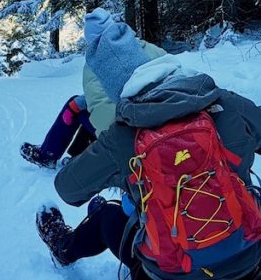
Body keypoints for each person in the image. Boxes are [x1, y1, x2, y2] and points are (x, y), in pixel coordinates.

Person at [36, 9, 261, 280]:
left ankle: (65, 248)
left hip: (170, 272)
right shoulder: (225, 103)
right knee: (258, 195)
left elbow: (67, 189)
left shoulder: (121, 137)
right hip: (249, 253)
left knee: (107, 215)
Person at [19, 10, 167, 169]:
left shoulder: (95, 66)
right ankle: (76, 155)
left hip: (134, 134)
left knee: (81, 109)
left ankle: (49, 155)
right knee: (82, 105)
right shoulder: (145, 47)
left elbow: (102, 109)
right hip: (165, 118)